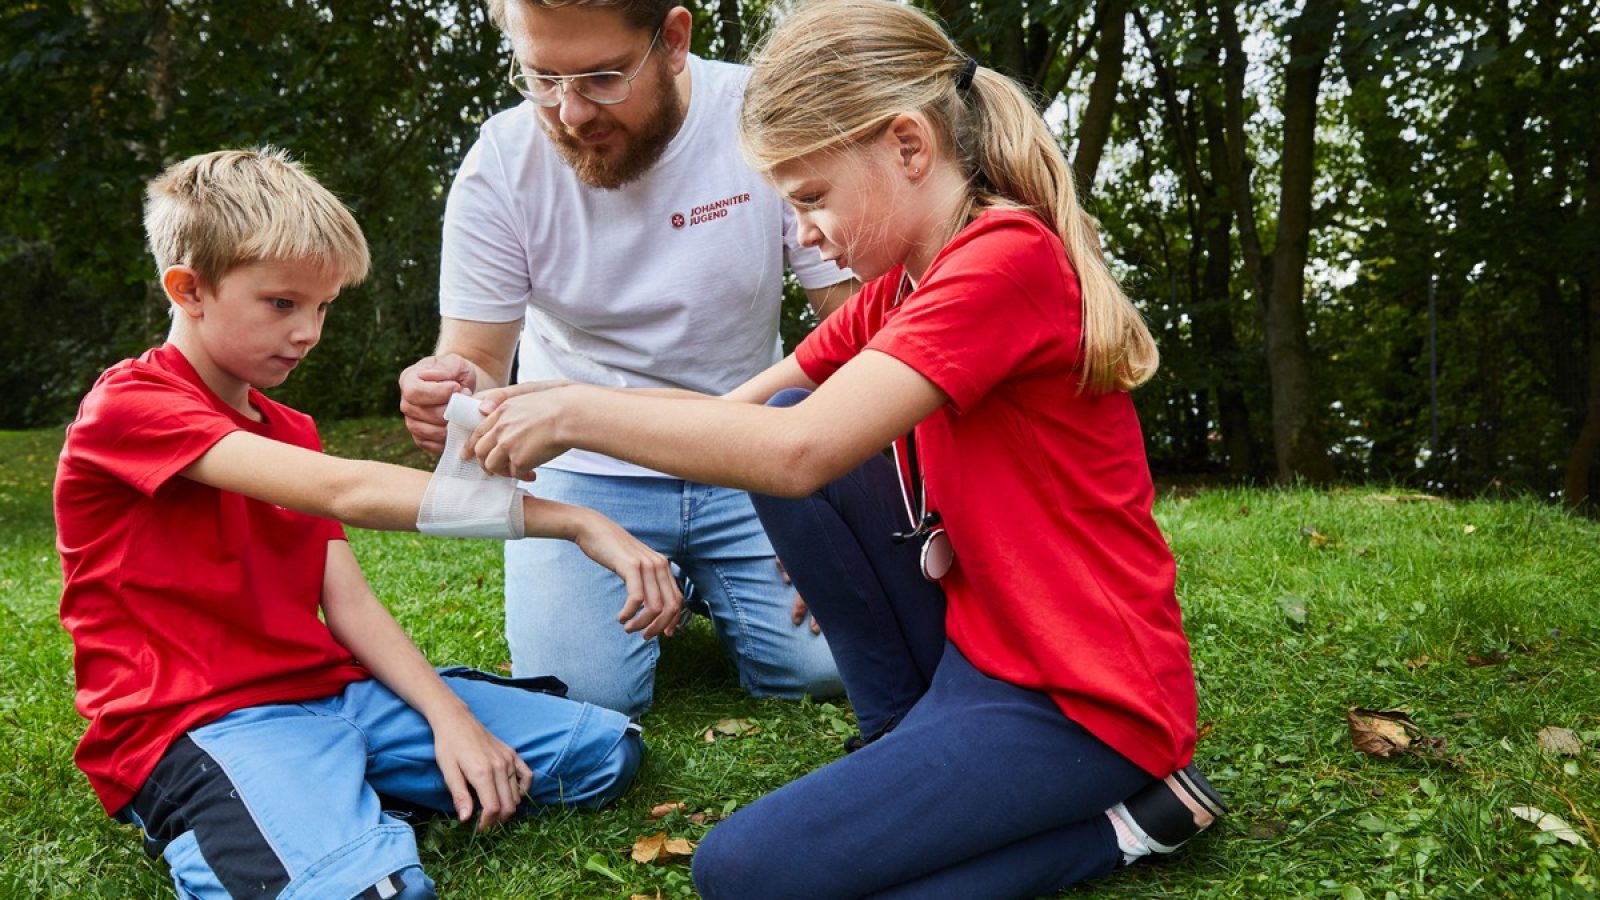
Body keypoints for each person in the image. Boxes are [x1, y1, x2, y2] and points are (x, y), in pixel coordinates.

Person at [455, 0, 1230, 896]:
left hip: (1086, 697)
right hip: (983, 653)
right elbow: (759, 405)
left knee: (740, 873)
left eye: (813, 198)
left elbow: (799, 451)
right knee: (789, 399)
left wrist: (579, 412)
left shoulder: (1003, 260)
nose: (806, 232)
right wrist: (585, 487)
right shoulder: (904, 280)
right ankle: (901, 730)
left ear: (908, 147)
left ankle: (1130, 824)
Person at [53, 148, 673, 899]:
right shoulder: (130, 406)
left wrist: (450, 718)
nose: (309, 330)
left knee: (607, 751)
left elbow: (344, 600)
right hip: (202, 722)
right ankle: (291, 817)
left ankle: (347, 792)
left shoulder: (292, 426)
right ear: (190, 290)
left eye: (323, 306)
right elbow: (345, 490)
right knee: (375, 894)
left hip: (337, 697)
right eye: (282, 303)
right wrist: (571, 520)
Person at [397, 0, 855, 719]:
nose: (571, 112)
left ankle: (702, 576)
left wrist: (844, 506)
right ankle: (675, 576)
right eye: (542, 77)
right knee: (583, 697)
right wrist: (451, 389)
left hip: (748, 453)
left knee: (826, 666)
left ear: (674, 40)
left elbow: (857, 326)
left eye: (603, 77)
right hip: (581, 471)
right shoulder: (501, 164)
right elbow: (476, 361)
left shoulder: (762, 121)